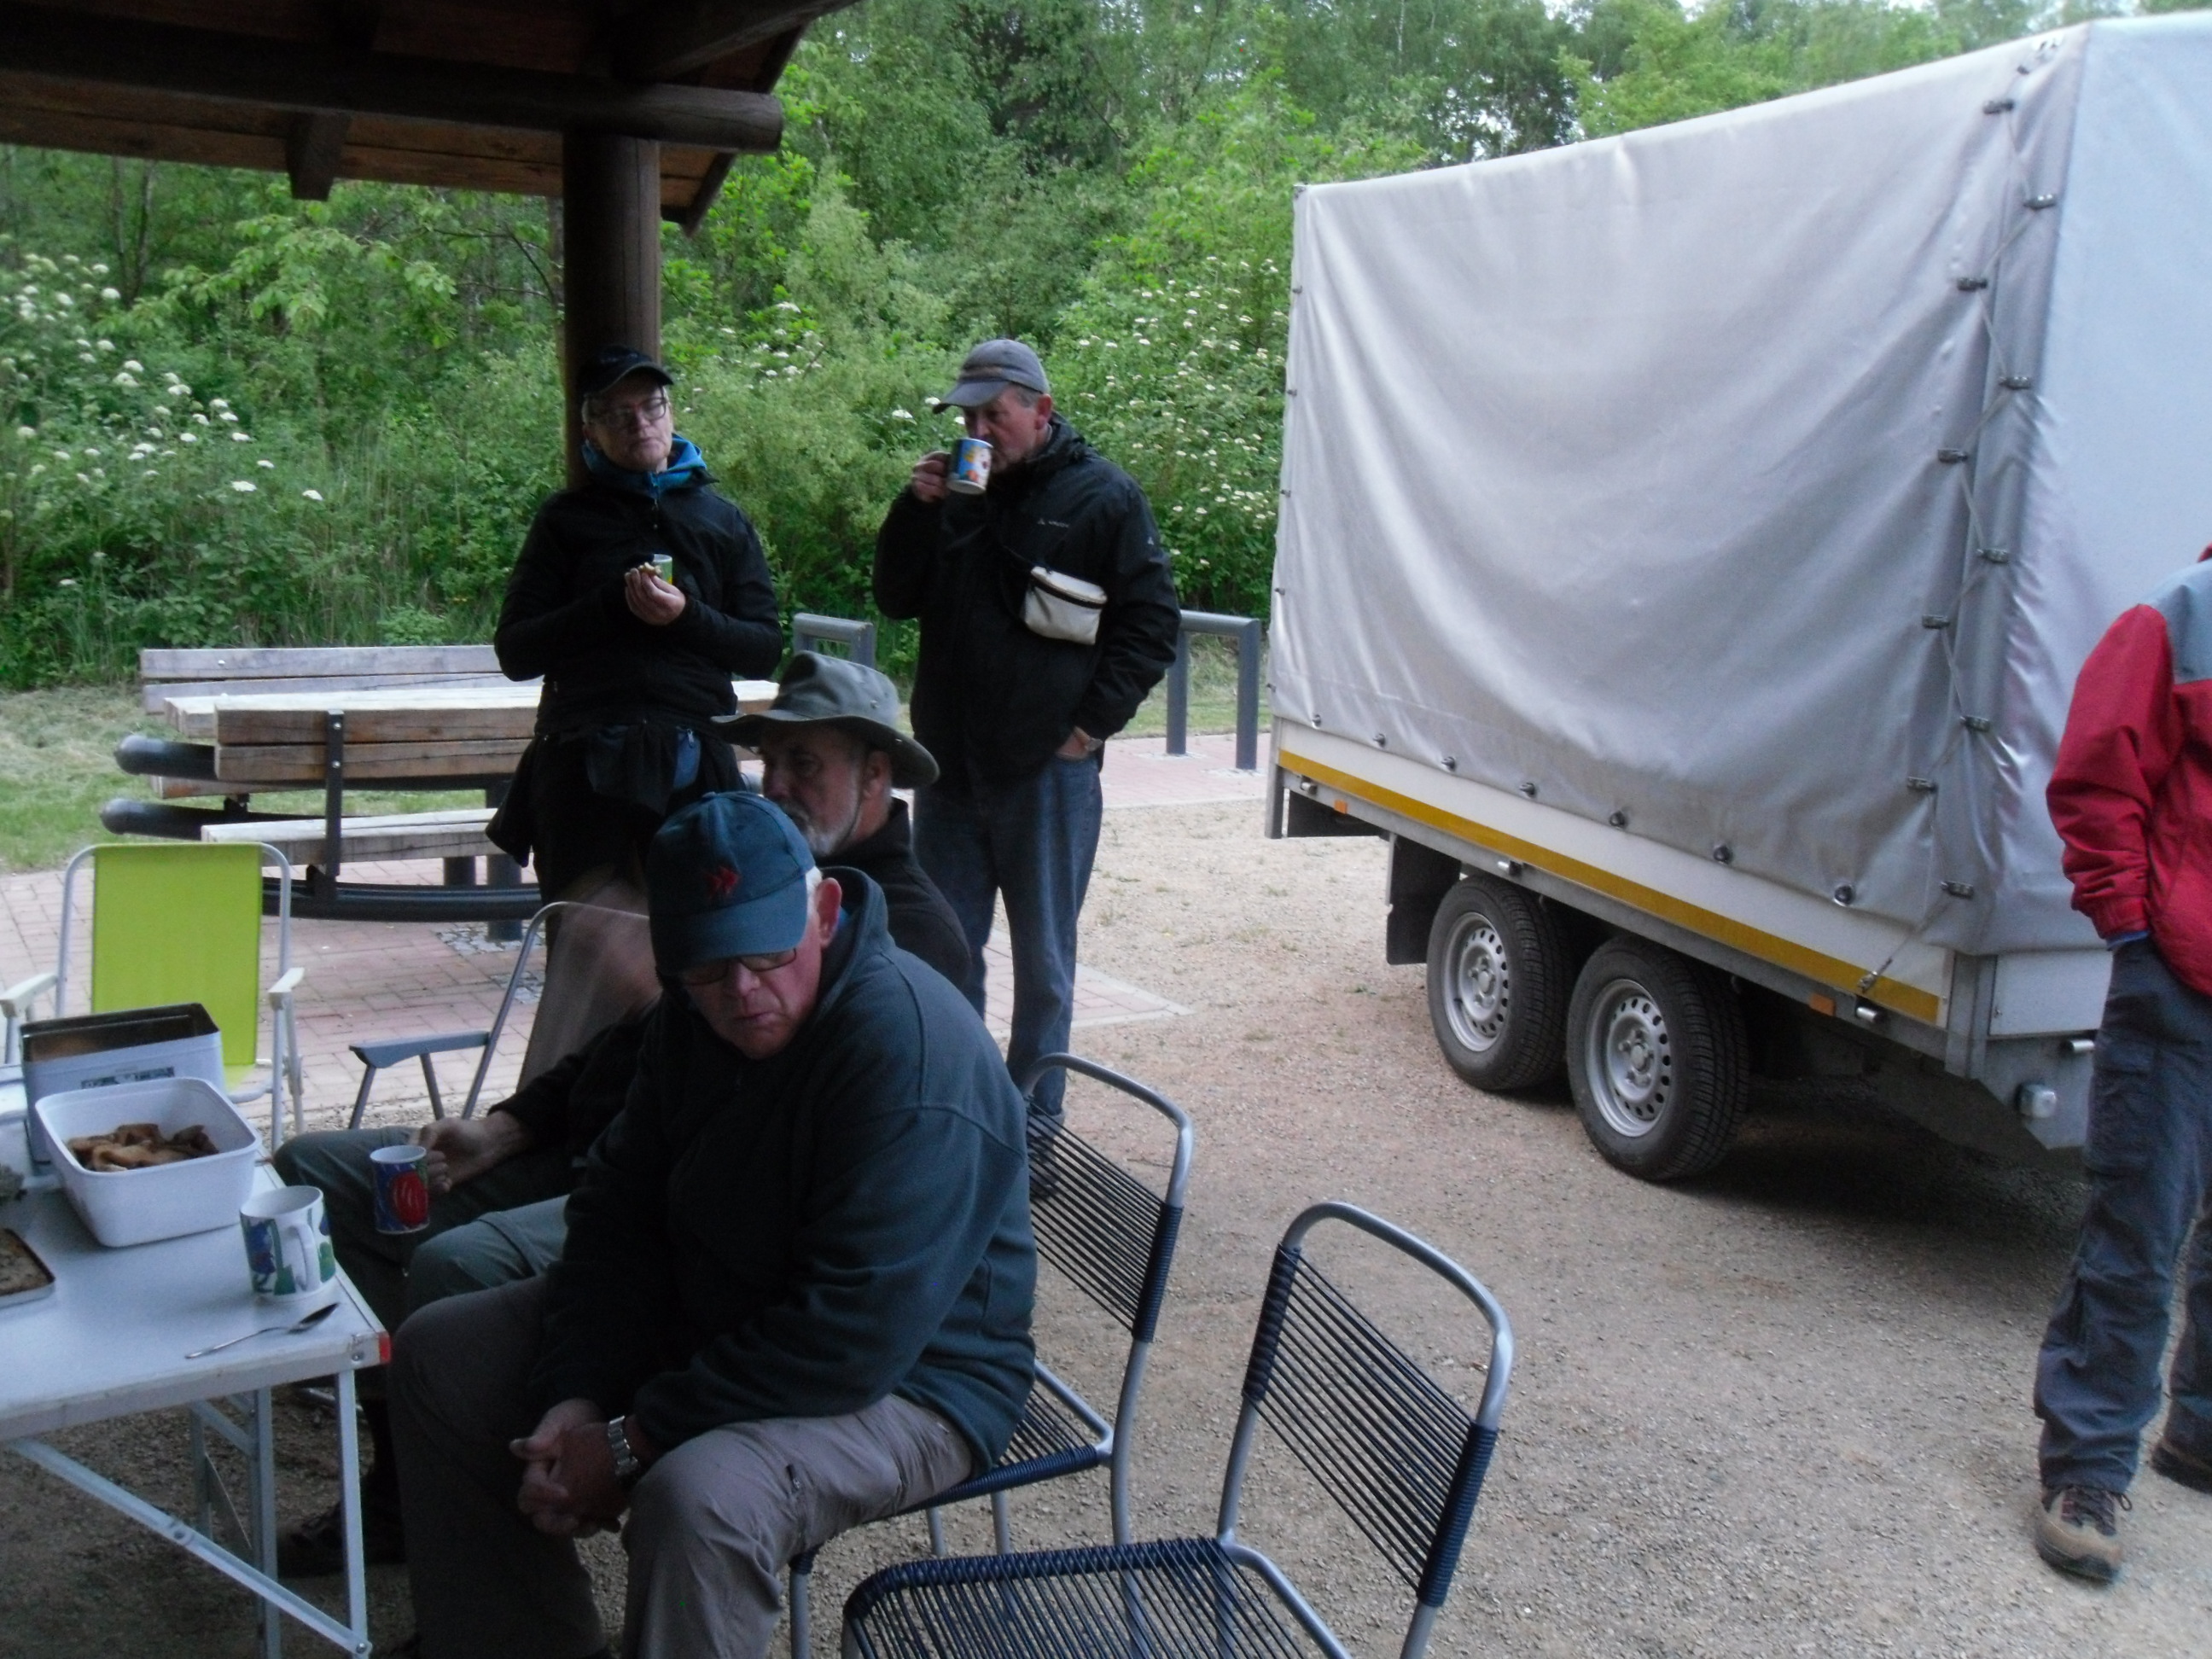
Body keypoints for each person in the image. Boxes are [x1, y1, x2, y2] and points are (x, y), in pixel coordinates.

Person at [272, 664, 970, 1575]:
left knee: (460, 1268)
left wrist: (626, 1436)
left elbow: (829, 1252)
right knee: (321, 1173)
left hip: (704, 1205)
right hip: (605, 1154)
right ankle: (415, 1469)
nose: (779, 784)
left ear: (877, 775)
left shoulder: (906, 949)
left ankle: (493, 1504)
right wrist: (511, 1125)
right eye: (769, 763)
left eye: (806, 763)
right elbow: (637, 1050)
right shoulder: (734, 877)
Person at [388, 792, 1035, 1659]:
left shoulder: (907, 1054)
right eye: (706, 968)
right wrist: (577, 1390)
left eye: (769, 955)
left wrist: (628, 1441)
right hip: (729, 1313)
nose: (742, 992)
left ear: (825, 912)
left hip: (916, 1379)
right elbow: (617, 1210)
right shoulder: (690, 1018)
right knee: (440, 1356)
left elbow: (851, 1338)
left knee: (698, 1499)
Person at [875, 338, 1180, 1114]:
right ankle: (959, 1114)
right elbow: (894, 598)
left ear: (1041, 410)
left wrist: (1087, 729)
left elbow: (1151, 626)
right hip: (949, 770)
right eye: (967, 419)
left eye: (993, 416)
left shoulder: (1103, 497)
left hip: (1045, 774)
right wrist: (915, 511)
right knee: (944, 952)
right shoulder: (953, 494)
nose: (977, 432)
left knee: (1044, 968)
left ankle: (1036, 1127)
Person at [2032, 547, 2212, 1583]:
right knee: (2139, 1235)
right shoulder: (2184, 617)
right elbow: (2099, 773)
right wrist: (2133, 928)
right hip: (2181, 983)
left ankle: (2202, 1431)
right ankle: (2088, 1471)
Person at [487, 345, 781, 904]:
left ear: (671, 413)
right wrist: (608, 606)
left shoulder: (723, 521)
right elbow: (516, 653)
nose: (640, 423)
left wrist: (686, 617)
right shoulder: (564, 521)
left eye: (650, 407)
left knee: (699, 942)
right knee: (586, 941)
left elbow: (763, 650)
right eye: (619, 414)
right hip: (582, 757)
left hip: (695, 754)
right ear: (591, 433)